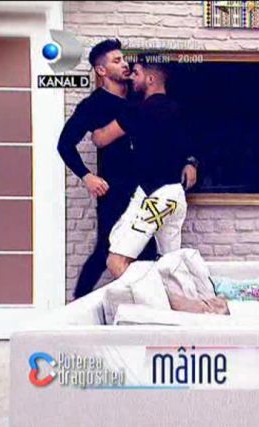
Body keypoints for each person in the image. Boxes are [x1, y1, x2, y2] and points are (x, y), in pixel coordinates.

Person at [56, 39, 156, 299]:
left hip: (147, 188)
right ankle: (76, 306)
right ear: (101, 70)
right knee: (105, 250)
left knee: (147, 250)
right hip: (114, 190)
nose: (125, 64)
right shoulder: (93, 105)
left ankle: (147, 307)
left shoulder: (140, 97)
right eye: (117, 61)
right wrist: (87, 176)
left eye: (124, 59)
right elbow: (64, 144)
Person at [91, 55, 198, 278]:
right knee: (171, 268)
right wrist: (191, 163)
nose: (132, 78)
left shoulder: (138, 111)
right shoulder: (181, 111)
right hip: (174, 196)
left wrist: (94, 114)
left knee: (116, 261)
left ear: (150, 79)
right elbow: (192, 146)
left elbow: (100, 139)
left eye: (136, 73)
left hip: (155, 197)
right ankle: (193, 299)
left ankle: (155, 298)